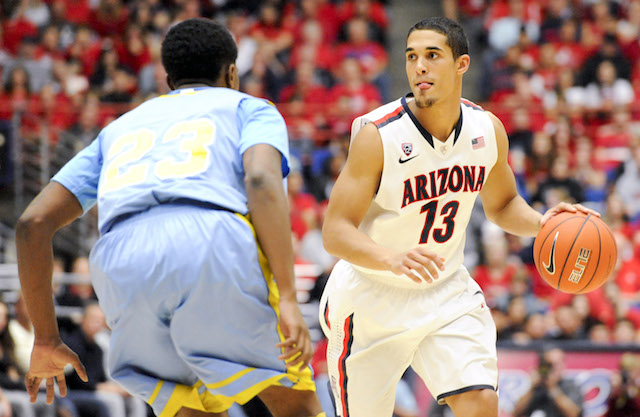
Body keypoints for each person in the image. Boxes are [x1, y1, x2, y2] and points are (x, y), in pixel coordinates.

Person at [15, 18, 324, 417]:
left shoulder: (119, 128)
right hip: (210, 241)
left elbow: (31, 224)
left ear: (167, 78)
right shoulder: (248, 107)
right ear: (231, 72)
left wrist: (44, 338)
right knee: (295, 403)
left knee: (190, 407)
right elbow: (262, 179)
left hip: (121, 262)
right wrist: (287, 298)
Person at [319, 17, 597, 417]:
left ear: (462, 64)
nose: (420, 67)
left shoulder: (487, 129)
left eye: (433, 55)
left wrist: (544, 223)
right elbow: (335, 231)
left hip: (445, 292)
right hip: (371, 298)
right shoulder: (377, 136)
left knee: (481, 403)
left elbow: (502, 206)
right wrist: (390, 258)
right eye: (412, 56)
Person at [512, 348, 584, 417]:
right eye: (549, 365)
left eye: (556, 364)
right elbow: (516, 413)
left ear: (563, 365)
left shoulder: (571, 386)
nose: (553, 368)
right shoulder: (536, 388)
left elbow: (574, 414)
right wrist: (531, 388)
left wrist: (552, 388)